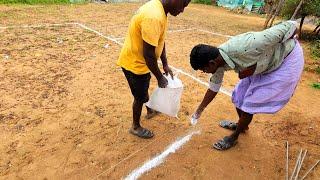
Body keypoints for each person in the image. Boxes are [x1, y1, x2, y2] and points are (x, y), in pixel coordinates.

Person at [189, 21, 304, 150]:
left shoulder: (251, 43)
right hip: (261, 65)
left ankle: (234, 137)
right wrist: (199, 111)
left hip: (285, 60)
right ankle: (242, 125)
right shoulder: (218, 61)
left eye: (203, 69)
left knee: (249, 103)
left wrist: (294, 35)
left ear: (211, 64)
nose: (204, 72)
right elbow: (213, 88)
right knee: (239, 95)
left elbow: (292, 25)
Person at [117, 0, 191, 139]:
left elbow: (159, 41)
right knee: (139, 97)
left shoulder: (160, 9)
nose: (182, 10)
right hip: (135, 64)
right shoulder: (154, 16)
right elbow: (149, 54)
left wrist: (165, 64)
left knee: (143, 89)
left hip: (141, 62)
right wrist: (160, 77)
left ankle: (150, 110)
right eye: (183, 5)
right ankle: (135, 126)